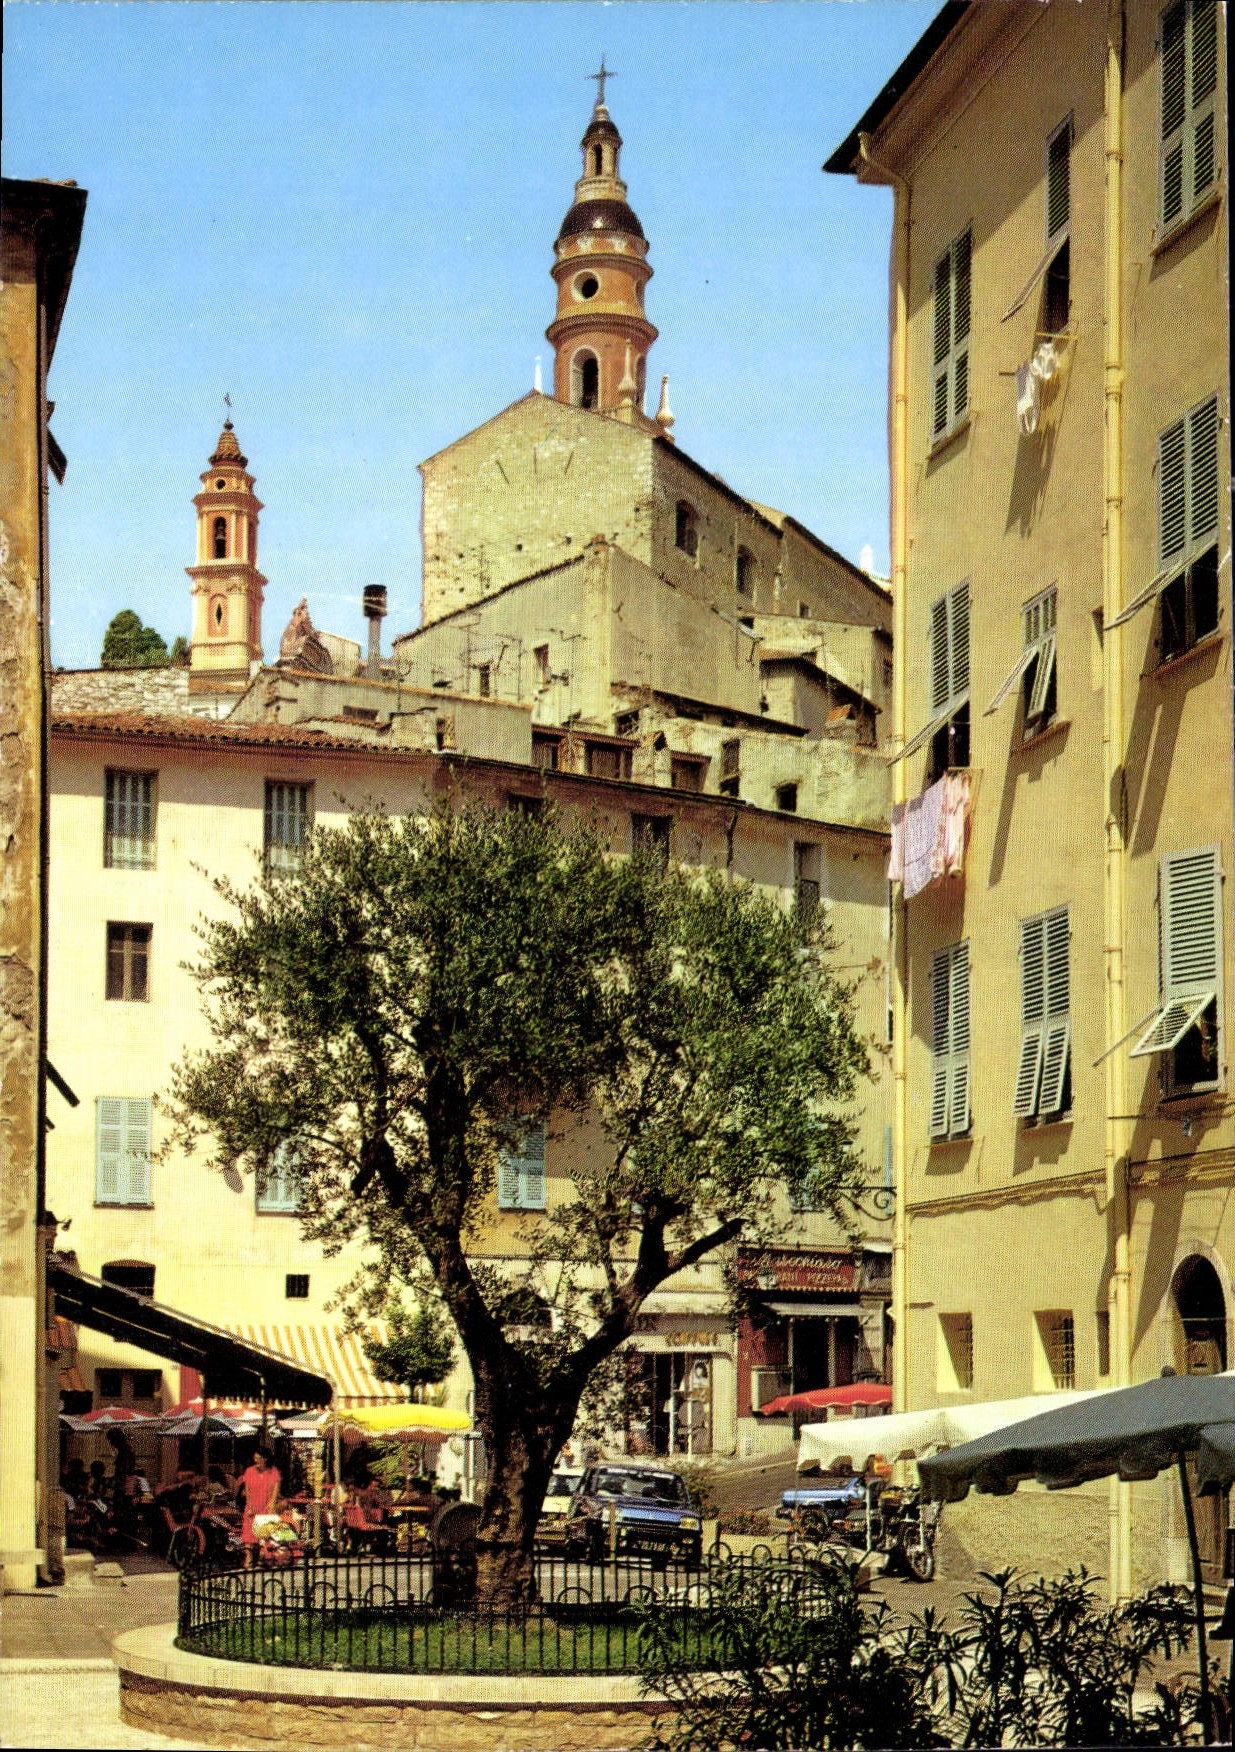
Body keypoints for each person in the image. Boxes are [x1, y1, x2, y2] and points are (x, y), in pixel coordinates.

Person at [237, 1447, 281, 1567]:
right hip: (253, 1505)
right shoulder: (249, 1471)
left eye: (259, 1458)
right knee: (248, 1533)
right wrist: (250, 1506)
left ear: (265, 1459)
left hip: (266, 1506)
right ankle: (249, 1558)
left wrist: (272, 1503)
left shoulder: (273, 1471)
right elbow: (247, 1491)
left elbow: (275, 1490)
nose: (256, 1460)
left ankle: (263, 1556)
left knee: (265, 1533)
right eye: (255, 1458)